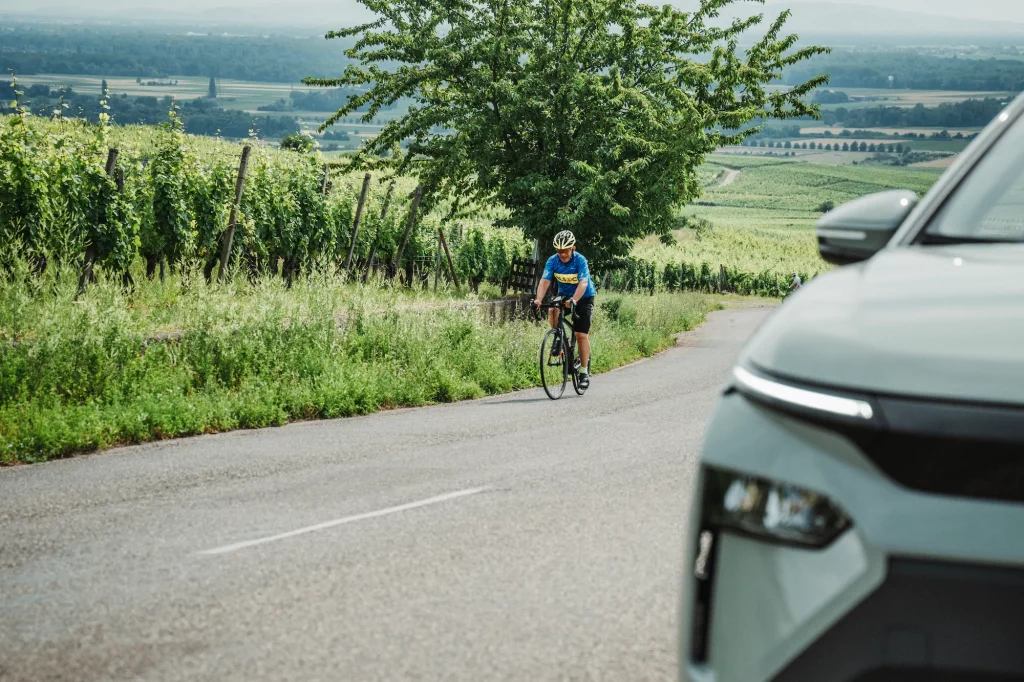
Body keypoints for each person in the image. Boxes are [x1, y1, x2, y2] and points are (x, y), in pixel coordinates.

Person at [532, 230, 597, 390]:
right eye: (559, 251)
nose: (562, 254)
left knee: (581, 335)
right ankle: (558, 337)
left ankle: (583, 372)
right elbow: (545, 281)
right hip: (564, 294)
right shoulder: (553, 261)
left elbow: (583, 283)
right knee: (553, 309)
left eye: (565, 250)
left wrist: (574, 300)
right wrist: (538, 299)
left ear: (572, 248)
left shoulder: (580, 261)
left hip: (583, 297)